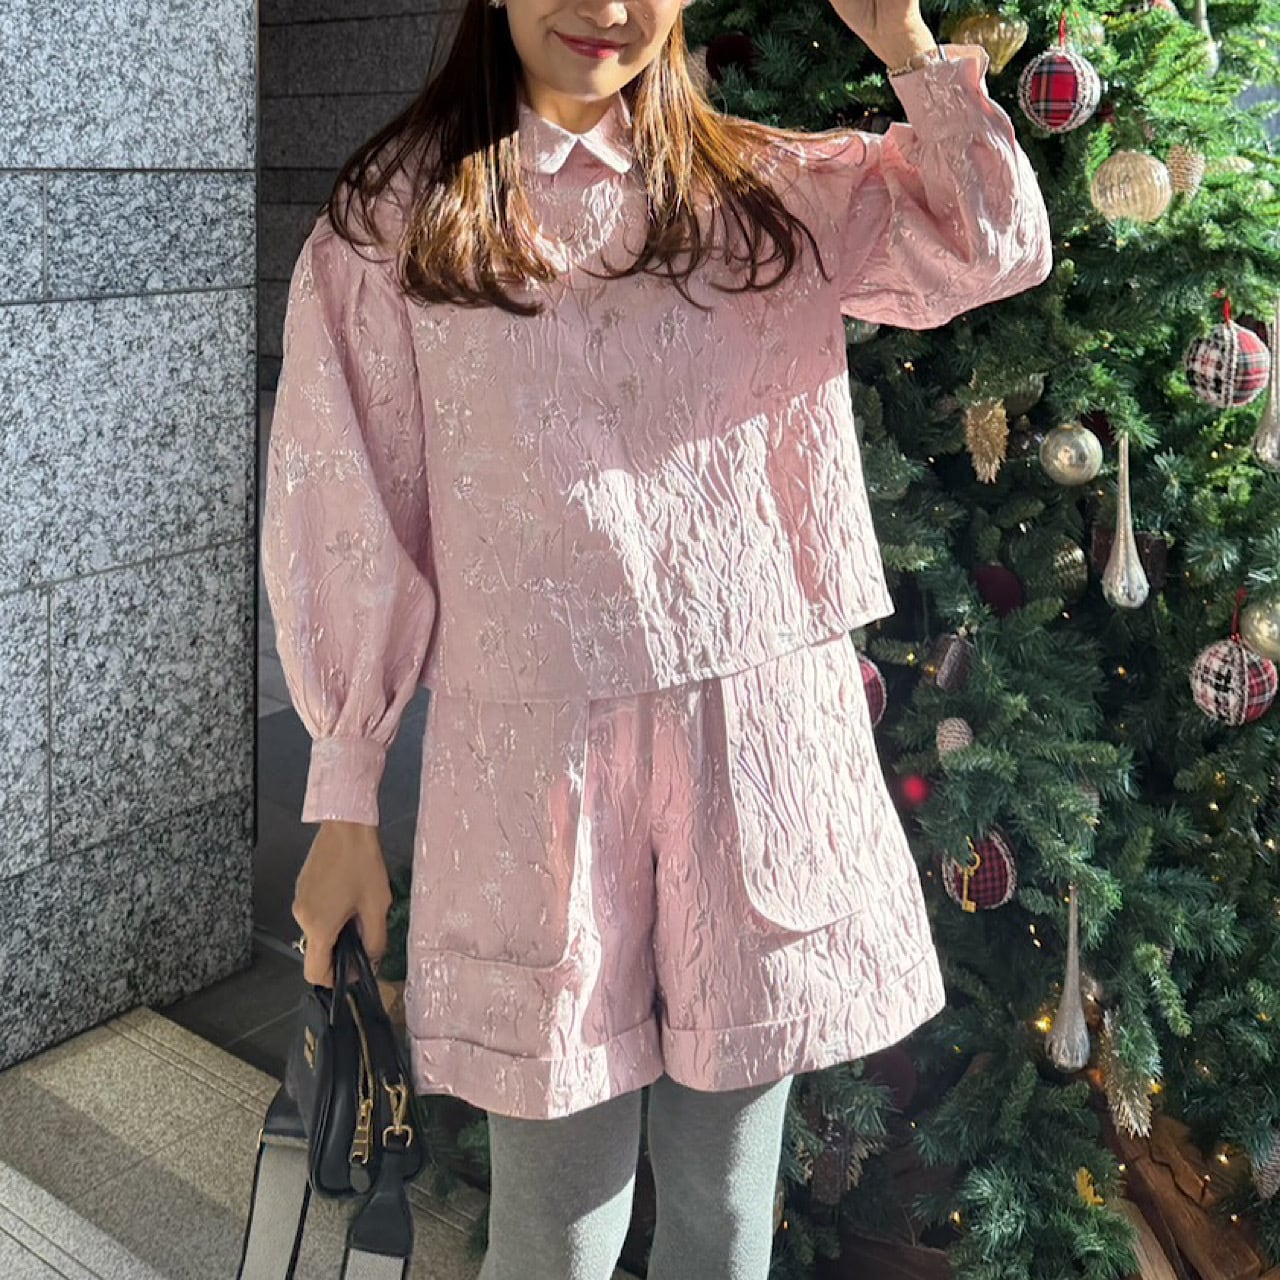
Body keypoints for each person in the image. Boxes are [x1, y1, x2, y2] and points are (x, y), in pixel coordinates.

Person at [260, 0, 1053, 1273]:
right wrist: (345, 796)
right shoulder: (395, 221)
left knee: (723, 1211)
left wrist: (907, 47)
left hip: (759, 759)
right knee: (554, 1225)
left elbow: (994, 243)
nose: (609, 9)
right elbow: (347, 513)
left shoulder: (763, 189)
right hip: (535, 785)